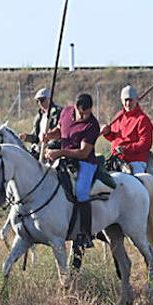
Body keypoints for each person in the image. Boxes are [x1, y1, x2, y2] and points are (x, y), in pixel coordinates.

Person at [43, 92, 101, 259]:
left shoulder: (92, 125)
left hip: (85, 163)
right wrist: (49, 136)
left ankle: (84, 233)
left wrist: (60, 152)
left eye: (88, 112)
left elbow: (83, 153)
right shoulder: (66, 112)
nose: (85, 116)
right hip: (64, 160)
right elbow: (60, 130)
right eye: (82, 112)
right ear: (75, 107)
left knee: (82, 192)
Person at [101, 84, 153, 175]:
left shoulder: (143, 119)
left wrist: (125, 149)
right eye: (125, 100)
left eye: (130, 100)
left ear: (136, 100)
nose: (128, 104)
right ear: (121, 101)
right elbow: (114, 137)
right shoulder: (119, 116)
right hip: (116, 160)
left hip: (135, 161)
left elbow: (146, 144)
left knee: (138, 182)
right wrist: (107, 133)